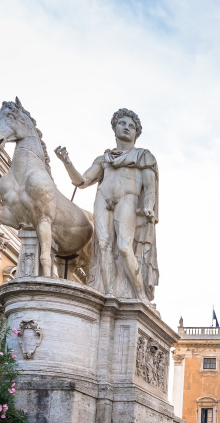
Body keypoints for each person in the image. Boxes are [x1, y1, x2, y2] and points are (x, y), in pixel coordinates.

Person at [55, 109, 159, 300]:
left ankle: (139, 294)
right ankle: (108, 294)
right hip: (103, 199)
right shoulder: (103, 159)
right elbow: (82, 182)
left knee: (124, 247)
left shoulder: (143, 157)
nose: (127, 128)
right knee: (103, 245)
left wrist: (148, 206)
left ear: (136, 133)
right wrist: (67, 163)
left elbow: (150, 188)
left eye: (131, 126)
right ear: (115, 128)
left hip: (128, 199)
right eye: (122, 123)